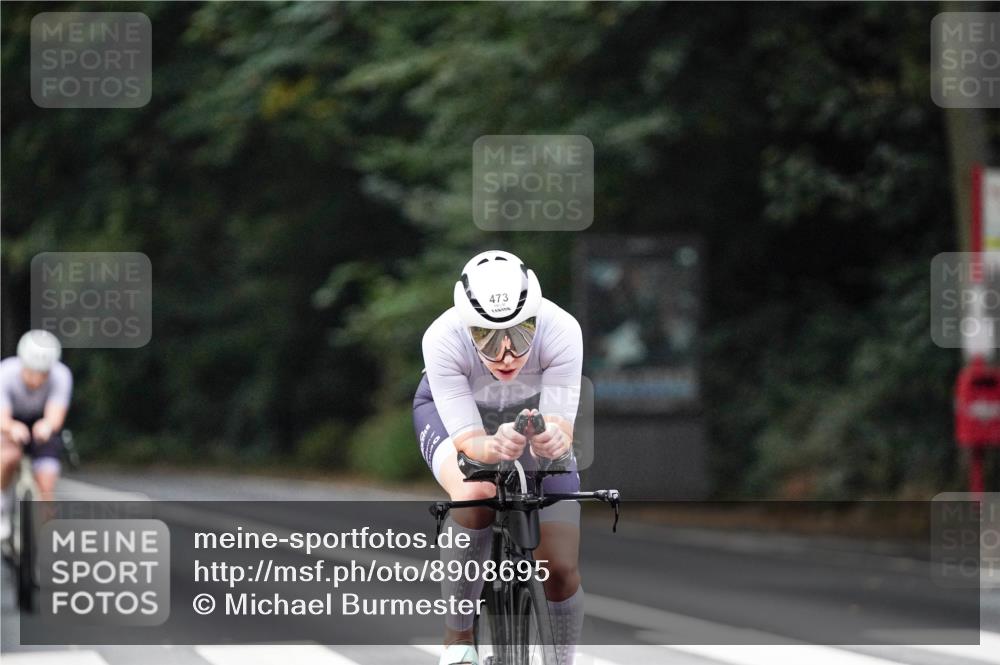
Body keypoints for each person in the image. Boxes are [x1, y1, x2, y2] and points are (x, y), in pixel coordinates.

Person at [414, 250, 585, 665]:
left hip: (532, 416)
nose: (507, 353)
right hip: (457, 418)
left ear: (537, 319)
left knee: (559, 569)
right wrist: (495, 446)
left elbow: (562, 433)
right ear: (466, 328)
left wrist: (548, 440)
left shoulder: (562, 328)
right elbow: (472, 443)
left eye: (520, 334)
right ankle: (458, 639)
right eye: (488, 337)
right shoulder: (442, 338)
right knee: (475, 493)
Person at [0, 330, 72, 540]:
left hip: (42, 425)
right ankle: (2, 503)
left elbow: (56, 416)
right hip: (10, 422)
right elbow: (2, 416)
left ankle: (47, 541)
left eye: (43, 373)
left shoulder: (61, 375)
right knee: (8, 456)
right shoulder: (5, 372)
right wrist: (11, 427)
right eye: (32, 372)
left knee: (47, 483)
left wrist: (48, 425)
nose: (37, 380)